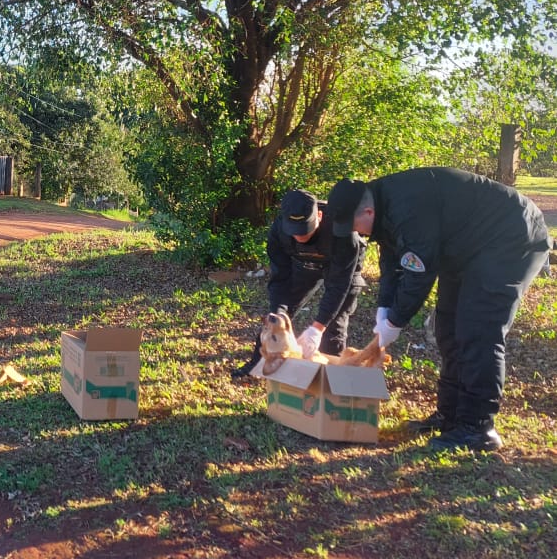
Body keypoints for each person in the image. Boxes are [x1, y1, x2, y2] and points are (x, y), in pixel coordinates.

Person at [326, 169, 551, 452]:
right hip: (465, 247)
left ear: (368, 212)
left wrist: (395, 321)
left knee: (477, 329)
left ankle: (477, 428)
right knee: (447, 327)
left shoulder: (408, 209)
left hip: (510, 238)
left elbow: (419, 273)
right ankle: (451, 415)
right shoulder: (384, 205)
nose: (357, 233)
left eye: (356, 226)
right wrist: (384, 308)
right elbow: (393, 261)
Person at [232, 189, 367, 378]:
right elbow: (280, 275)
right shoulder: (278, 231)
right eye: (294, 231)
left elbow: (339, 285)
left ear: (319, 215)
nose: (300, 236)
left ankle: (330, 378)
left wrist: (317, 328)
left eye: (306, 228)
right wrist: (278, 312)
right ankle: (257, 364)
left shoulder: (345, 232)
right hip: (303, 264)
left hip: (341, 268)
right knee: (276, 318)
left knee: (334, 324)